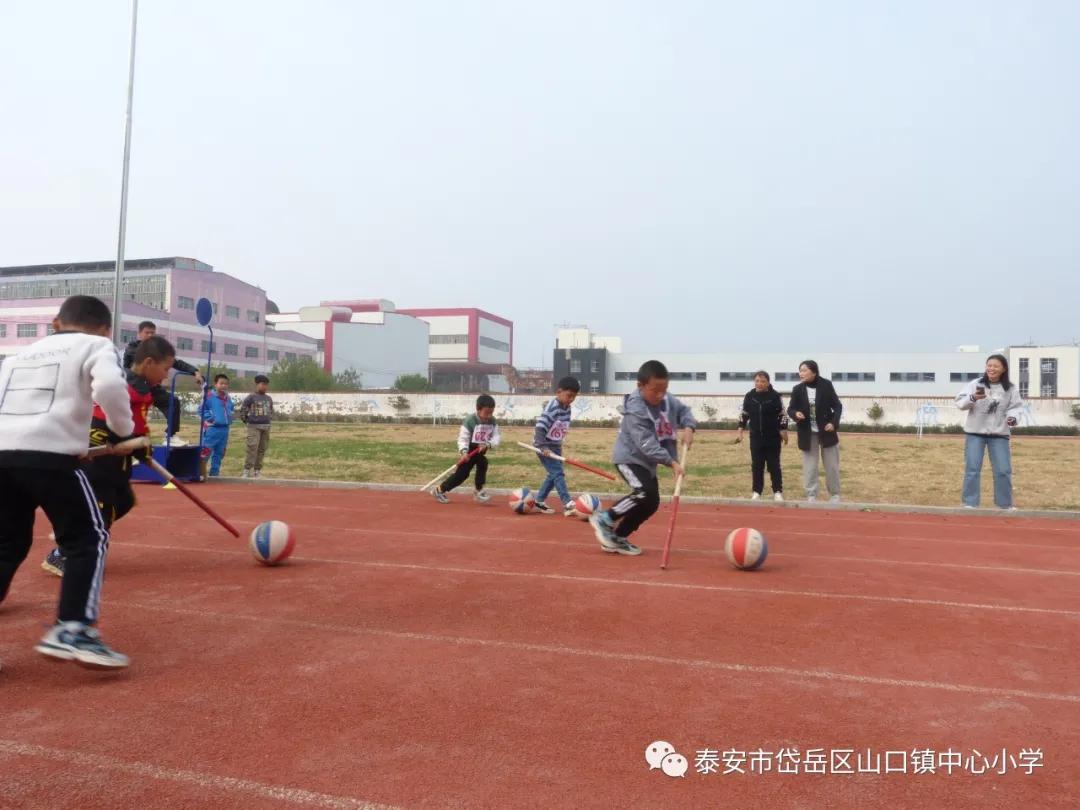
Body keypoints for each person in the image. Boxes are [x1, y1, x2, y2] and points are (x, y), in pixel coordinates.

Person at [0, 295, 136, 669]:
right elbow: (109, 387)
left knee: (6, 544)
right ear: (107, 329)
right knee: (86, 538)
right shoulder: (98, 345)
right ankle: (73, 628)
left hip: (1, 456)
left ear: (57, 323)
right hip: (51, 457)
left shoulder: (18, 356)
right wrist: (123, 432)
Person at [42, 336, 177, 577]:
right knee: (101, 506)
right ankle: (64, 554)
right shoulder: (120, 385)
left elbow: (136, 423)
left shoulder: (144, 390)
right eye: (165, 369)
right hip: (99, 456)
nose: (166, 375)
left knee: (123, 501)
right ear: (148, 362)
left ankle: (75, 529)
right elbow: (98, 416)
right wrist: (115, 440)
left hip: (119, 458)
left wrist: (141, 445)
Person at [589, 360, 694, 556]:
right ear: (640, 386)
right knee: (644, 492)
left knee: (652, 502)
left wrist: (689, 427)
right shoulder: (636, 409)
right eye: (655, 391)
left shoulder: (666, 400)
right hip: (629, 458)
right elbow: (646, 444)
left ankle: (617, 537)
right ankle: (605, 518)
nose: (661, 395)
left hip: (648, 463)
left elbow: (684, 411)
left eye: (665, 389)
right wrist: (671, 462)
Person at [955, 353, 1024, 509]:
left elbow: (1016, 408)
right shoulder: (975, 383)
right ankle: (970, 503)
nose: (991, 368)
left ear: (1003, 369)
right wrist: (973, 398)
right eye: (989, 365)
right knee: (972, 469)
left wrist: (1013, 418)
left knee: (1003, 470)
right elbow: (960, 403)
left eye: (995, 366)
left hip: (999, 435)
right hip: (975, 433)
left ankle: (1005, 504)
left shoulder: (1010, 388)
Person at [123, 320, 202, 443]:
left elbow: (175, 362)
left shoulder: (158, 351)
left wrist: (195, 371)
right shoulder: (132, 348)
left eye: (152, 333)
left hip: (152, 388)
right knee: (135, 418)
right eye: (147, 333)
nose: (150, 336)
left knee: (173, 402)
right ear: (139, 334)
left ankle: (170, 436)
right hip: (134, 388)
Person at [787, 360, 843, 502]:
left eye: (804, 370)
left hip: (826, 432)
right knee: (810, 467)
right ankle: (811, 494)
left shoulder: (826, 385)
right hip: (807, 433)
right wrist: (796, 414)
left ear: (814, 371)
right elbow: (790, 409)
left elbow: (837, 406)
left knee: (831, 466)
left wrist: (833, 423)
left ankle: (835, 494)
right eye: (800, 370)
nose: (801, 373)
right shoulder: (797, 389)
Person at [431, 394, 501, 503]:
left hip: (480, 450)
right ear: (478, 409)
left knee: (483, 462)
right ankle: (439, 490)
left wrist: (488, 444)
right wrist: (464, 452)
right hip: (469, 451)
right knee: (461, 475)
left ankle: (478, 490)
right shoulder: (470, 421)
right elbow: (462, 439)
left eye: (491, 413)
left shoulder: (492, 421)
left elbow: (496, 437)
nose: (488, 416)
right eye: (486, 413)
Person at [531, 376, 580, 516]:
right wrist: (543, 447)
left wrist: (558, 445)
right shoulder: (552, 408)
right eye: (569, 396)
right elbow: (540, 428)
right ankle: (567, 503)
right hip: (543, 445)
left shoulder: (567, 408)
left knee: (553, 474)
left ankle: (539, 500)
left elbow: (561, 427)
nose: (571, 399)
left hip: (555, 445)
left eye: (574, 397)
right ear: (559, 392)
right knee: (558, 473)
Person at [736, 371, 788, 501]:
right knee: (757, 465)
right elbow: (744, 413)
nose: (759, 383)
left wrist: (783, 430)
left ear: (768, 382)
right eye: (757, 381)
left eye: (763, 381)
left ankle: (777, 491)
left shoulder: (775, 396)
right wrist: (740, 428)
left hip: (773, 437)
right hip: (756, 436)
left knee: (774, 465)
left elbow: (783, 415)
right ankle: (756, 492)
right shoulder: (750, 396)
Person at [239, 374, 274, 478]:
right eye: (262, 384)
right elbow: (243, 410)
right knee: (252, 447)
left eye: (266, 385)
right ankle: (247, 470)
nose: (264, 387)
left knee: (262, 449)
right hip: (254, 427)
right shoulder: (251, 397)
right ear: (257, 384)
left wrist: (268, 420)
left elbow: (271, 411)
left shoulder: (268, 398)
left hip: (266, 427)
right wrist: (248, 421)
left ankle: (257, 470)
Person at [201, 373, 234, 477]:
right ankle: (200, 472)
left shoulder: (227, 398)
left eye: (226, 384)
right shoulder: (209, 397)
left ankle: (214, 474)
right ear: (216, 384)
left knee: (219, 453)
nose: (224, 386)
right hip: (212, 429)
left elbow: (231, 409)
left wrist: (229, 418)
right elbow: (201, 410)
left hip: (224, 429)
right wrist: (211, 419)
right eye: (221, 383)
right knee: (205, 451)